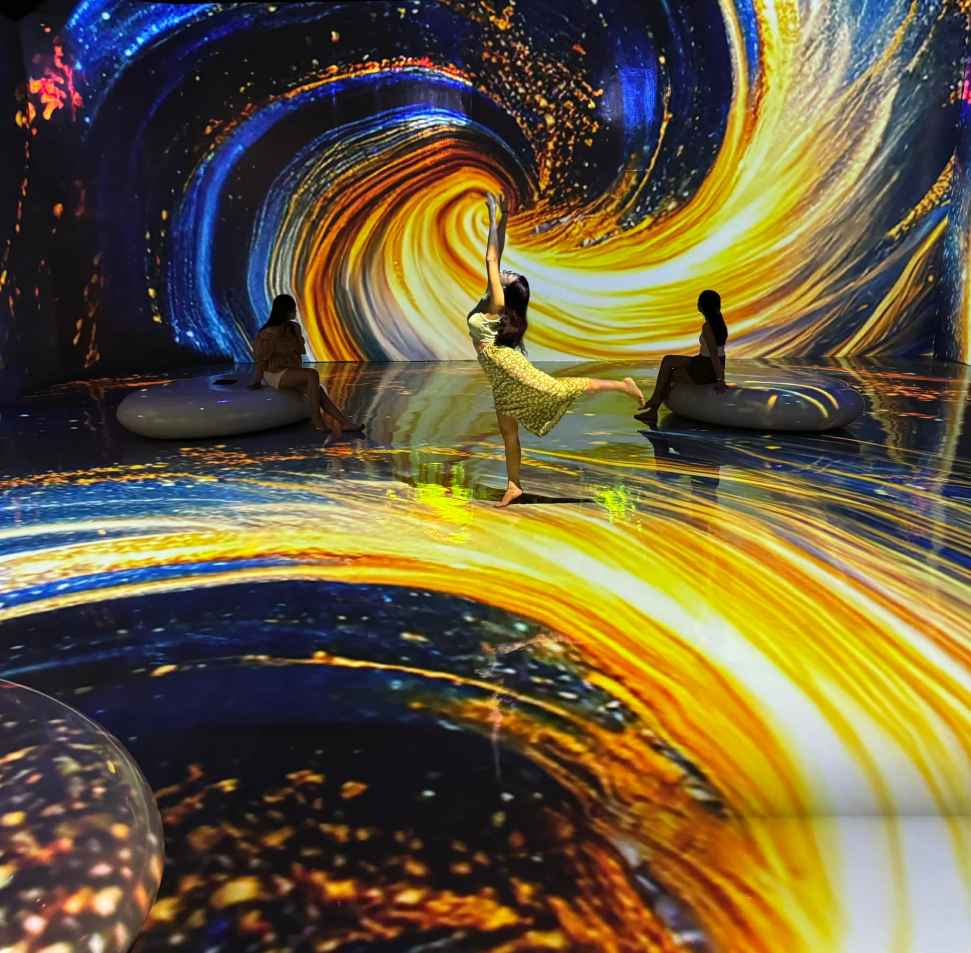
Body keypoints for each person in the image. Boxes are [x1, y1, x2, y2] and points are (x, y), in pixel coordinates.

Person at [468, 192, 644, 507]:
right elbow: (497, 256)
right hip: (498, 374)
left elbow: (491, 259)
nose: (502, 272)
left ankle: (622, 385)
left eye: (506, 276)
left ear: (505, 291)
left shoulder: (496, 303)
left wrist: (493, 215)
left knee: (556, 389)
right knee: (508, 431)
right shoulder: (492, 298)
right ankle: (513, 487)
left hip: (507, 365)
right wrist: (505, 218)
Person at [248, 293, 363, 443]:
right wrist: (257, 381)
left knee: (318, 391)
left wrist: (298, 376)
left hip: (291, 371)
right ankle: (317, 418)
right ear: (284, 311)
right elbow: (262, 361)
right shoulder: (268, 333)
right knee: (312, 374)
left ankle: (345, 422)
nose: (295, 312)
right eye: (292, 309)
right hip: (275, 373)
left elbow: (297, 355)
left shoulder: (295, 328)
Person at [634, 290, 728, 425]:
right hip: (702, 362)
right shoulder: (720, 324)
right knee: (668, 360)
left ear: (704, 306)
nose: (697, 304)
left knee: (669, 375)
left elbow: (714, 355)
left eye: (699, 302)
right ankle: (653, 405)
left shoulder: (708, 327)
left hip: (705, 369)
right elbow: (720, 354)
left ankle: (653, 408)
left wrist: (720, 380)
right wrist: (721, 375)